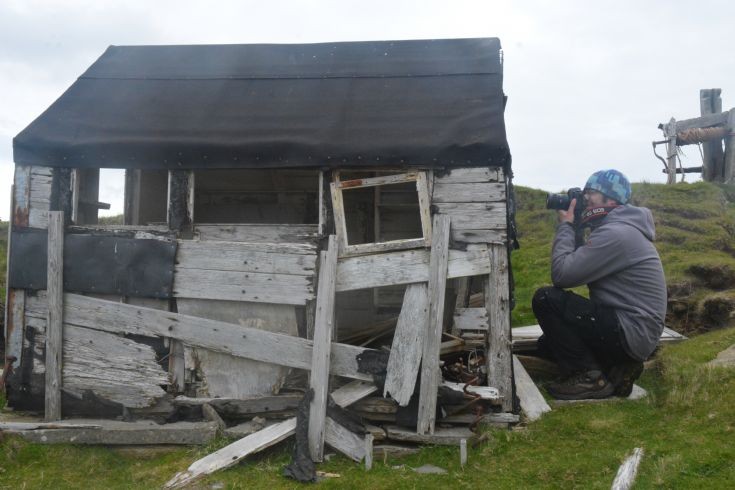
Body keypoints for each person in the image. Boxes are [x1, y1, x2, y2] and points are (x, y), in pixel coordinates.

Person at [532, 169, 667, 400]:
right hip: (633, 332)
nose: (585, 200)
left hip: (629, 330)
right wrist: (575, 228)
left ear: (611, 199)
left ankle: (590, 378)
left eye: (591, 194)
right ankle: (618, 368)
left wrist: (565, 226)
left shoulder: (617, 233)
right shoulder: (618, 229)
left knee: (546, 299)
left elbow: (563, 275)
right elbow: (575, 264)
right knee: (547, 345)